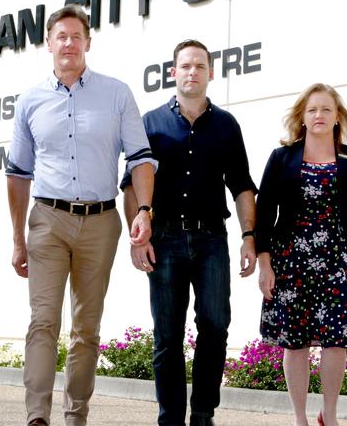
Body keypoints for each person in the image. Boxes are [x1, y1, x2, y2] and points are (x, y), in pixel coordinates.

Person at [5, 4, 156, 426]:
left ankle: (76, 416)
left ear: (87, 43)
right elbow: (18, 175)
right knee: (43, 321)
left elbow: (141, 158)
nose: (68, 43)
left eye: (76, 36)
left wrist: (143, 209)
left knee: (86, 328)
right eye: (61, 36)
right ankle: (37, 416)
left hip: (101, 222)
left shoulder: (116, 93)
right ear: (49, 43)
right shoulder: (30, 101)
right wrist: (17, 237)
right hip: (47, 220)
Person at [122, 39, 258, 426]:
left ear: (210, 73)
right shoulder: (150, 123)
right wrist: (137, 238)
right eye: (185, 66)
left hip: (212, 240)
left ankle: (202, 415)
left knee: (215, 327)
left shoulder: (226, 126)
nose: (192, 72)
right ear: (173, 72)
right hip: (162, 241)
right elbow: (130, 186)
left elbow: (243, 186)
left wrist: (250, 236)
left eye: (200, 66)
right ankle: (170, 418)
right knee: (167, 335)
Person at [255, 83, 347, 426]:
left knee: (335, 341)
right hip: (290, 261)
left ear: (337, 116)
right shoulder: (282, 158)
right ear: (303, 118)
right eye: (312, 110)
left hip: (340, 263)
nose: (319, 115)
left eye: (326, 109)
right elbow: (263, 214)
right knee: (294, 343)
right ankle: (299, 417)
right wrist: (265, 265)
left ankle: (331, 414)